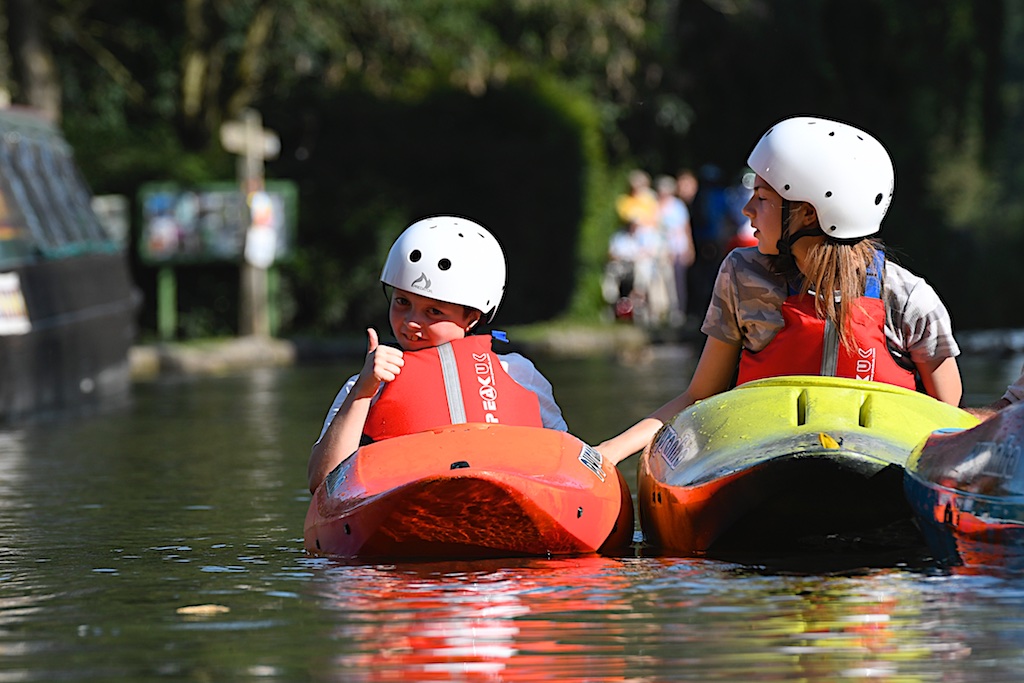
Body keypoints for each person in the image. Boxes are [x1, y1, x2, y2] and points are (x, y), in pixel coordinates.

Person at [596, 115, 964, 465]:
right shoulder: (742, 276)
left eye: (761, 197)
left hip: (875, 472)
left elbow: (947, 420)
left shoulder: (908, 299)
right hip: (759, 464)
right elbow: (698, 395)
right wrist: (608, 453)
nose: (747, 210)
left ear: (807, 213)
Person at [307, 215, 567, 492]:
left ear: (472, 318)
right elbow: (322, 481)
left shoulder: (518, 372)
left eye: (434, 311)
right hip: (408, 502)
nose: (411, 322)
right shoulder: (370, 382)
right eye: (402, 302)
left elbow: (565, 462)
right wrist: (363, 391)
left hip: (508, 497)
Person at [655, 174, 695, 326]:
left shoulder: (677, 206)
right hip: (660, 249)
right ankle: (661, 311)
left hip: (677, 248)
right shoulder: (656, 205)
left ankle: (678, 311)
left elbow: (685, 228)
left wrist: (689, 247)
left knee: (678, 282)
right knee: (661, 281)